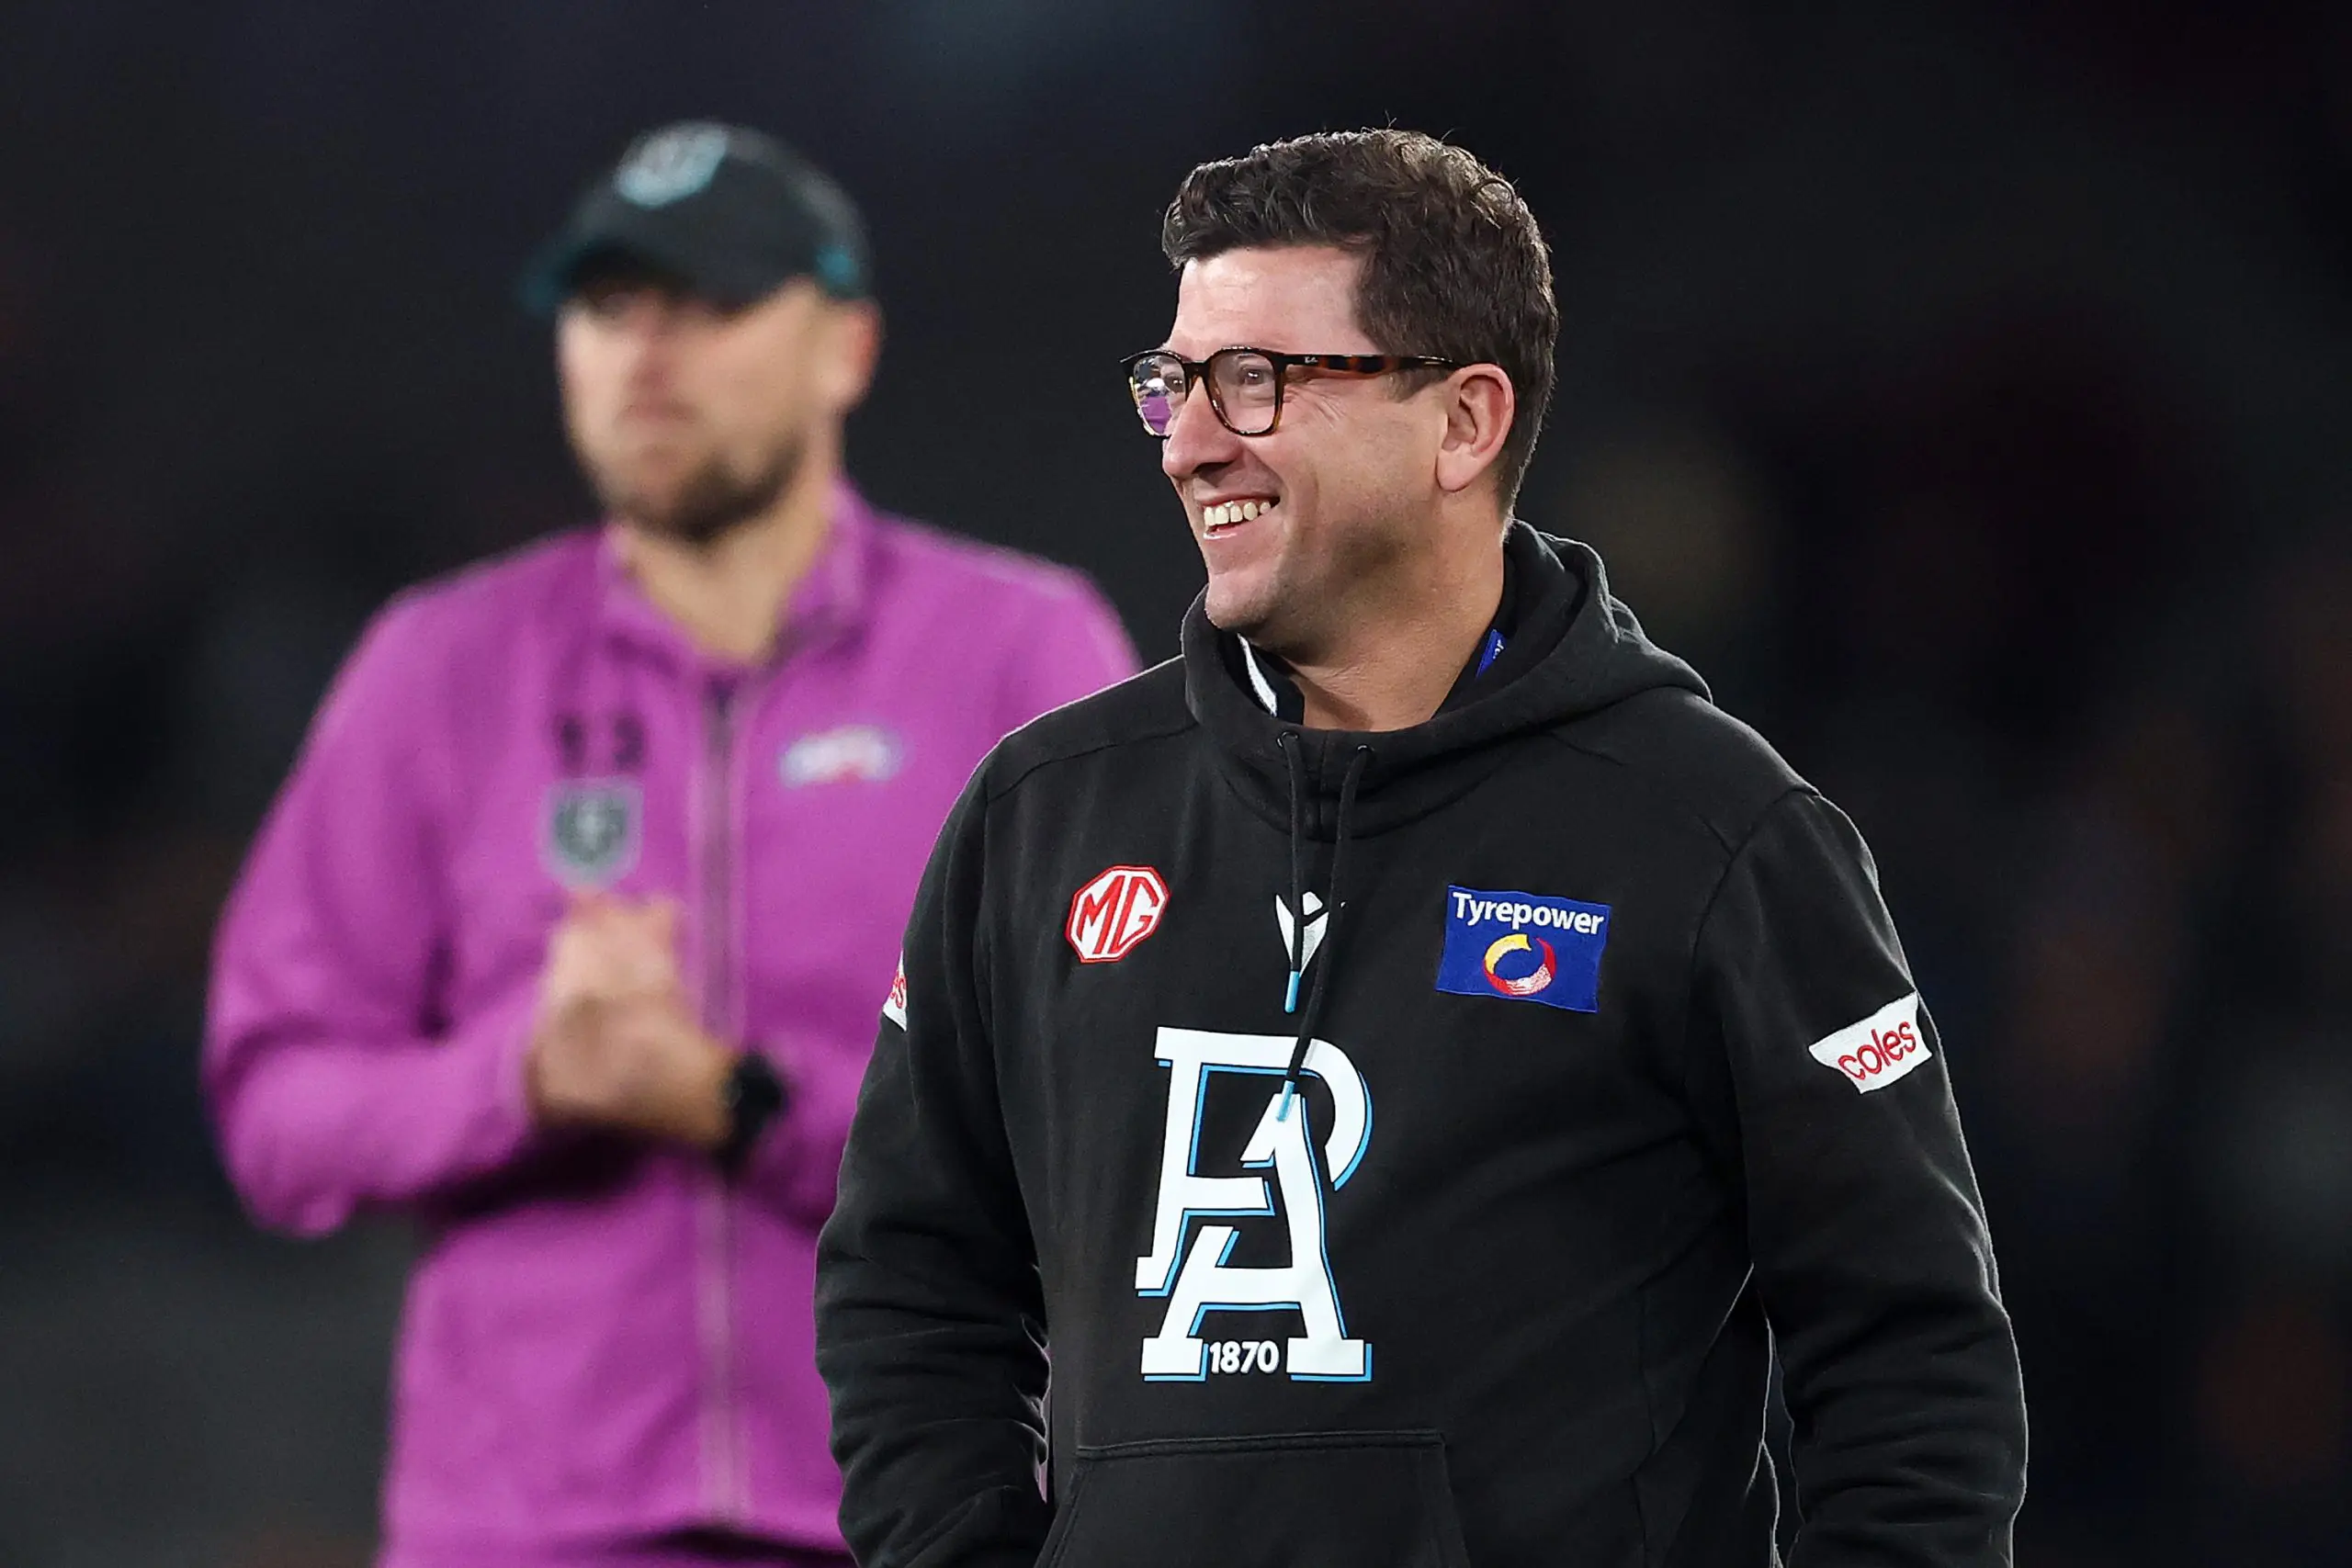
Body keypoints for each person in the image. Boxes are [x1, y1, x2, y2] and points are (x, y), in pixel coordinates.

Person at [816, 129, 2026, 1566]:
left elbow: (1911, 1365)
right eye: (1174, 383)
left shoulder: (1713, 835)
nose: (1196, 440)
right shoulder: (1041, 815)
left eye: (1259, 381)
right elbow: (908, 1280)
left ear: (1463, 421)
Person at [205, 120, 1135, 1568]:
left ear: (846, 346)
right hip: (523, 1530)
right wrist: (519, 1076)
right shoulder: (443, 662)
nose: (646, 355)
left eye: (710, 305)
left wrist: (742, 1102)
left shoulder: (1019, 651)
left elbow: (1119, 1108)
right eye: (607, 307)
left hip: (923, 1518)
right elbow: (277, 1108)